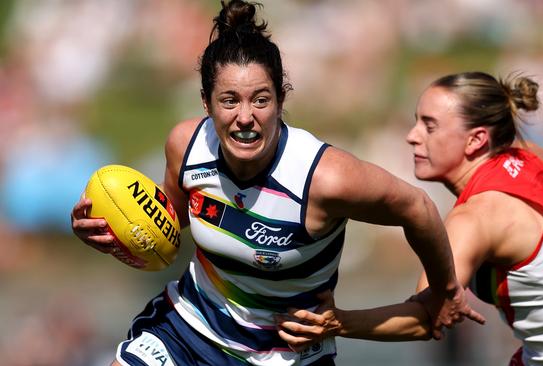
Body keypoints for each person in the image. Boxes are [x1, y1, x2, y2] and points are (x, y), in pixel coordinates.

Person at [70, 2, 485, 365]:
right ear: (206, 102)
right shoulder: (186, 145)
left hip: (285, 356)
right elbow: (172, 221)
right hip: (188, 332)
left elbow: (418, 208)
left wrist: (445, 288)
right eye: (229, 100)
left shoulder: (325, 179)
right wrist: (114, 230)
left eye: (261, 100)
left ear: (281, 101)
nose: (246, 116)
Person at [275, 71, 543, 365]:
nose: (411, 136)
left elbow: (427, 317)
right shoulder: (531, 161)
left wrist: (339, 322)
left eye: (429, 125)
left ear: (476, 141)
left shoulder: (477, 218)